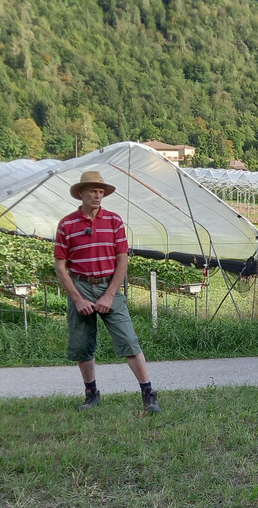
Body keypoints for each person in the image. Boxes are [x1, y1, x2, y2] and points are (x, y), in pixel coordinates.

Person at [54, 170, 160, 413]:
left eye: (101, 192)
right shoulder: (67, 224)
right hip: (80, 285)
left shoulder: (114, 221)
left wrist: (109, 294)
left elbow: (122, 262)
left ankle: (148, 393)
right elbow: (60, 267)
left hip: (108, 285)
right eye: (93, 191)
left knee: (128, 340)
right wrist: (78, 299)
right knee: (82, 344)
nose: (98, 196)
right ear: (81, 193)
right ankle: (91, 394)